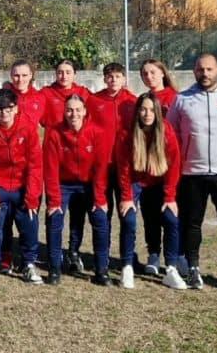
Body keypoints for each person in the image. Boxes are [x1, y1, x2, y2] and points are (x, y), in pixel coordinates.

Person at [167, 53, 217, 292]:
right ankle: (193, 269)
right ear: (194, 71)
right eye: (201, 69)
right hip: (192, 173)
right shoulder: (182, 100)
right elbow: (170, 134)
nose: (205, 74)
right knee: (192, 223)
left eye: (210, 69)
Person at [116, 93, 186, 290]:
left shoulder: (167, 131)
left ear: (157, 112)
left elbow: (174, 166)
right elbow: (124, 169)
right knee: (128, 219)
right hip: (135, 182)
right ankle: (127, 266)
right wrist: (126, 197)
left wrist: (170, 197)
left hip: (159, 182)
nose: (147, 114)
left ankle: (171, 269)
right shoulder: (127, 133)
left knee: (171, 219)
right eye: (143, 109)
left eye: (151, 110)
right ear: (137, 111)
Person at [0, 89, 43, 285]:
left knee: (29, 221)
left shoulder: (28, 128)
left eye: (8, 109)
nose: (4, 113)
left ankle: (28, 264)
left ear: (16, 108)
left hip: (22, 184)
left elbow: (35, 165)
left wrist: (32, 197)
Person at [43, 95, 112, 286]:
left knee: (100, 219)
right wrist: (54, 200)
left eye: (78, 110)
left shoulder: (97, 132)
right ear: (64, 112)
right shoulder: (54, 133)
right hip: (63, 184)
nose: (74, 114)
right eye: (69, 110)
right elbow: (50, 169)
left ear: (85, 111)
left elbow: (100, 169)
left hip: (89, 184)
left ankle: (101, 270)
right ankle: (54, 268)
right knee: (54, 218)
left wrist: (99, 199)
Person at [86, 63, 137, 249]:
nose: (113, 80)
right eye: (109, 76)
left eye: (117, 76)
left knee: (127, 214)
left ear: (124, 78)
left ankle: (128, 258)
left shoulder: (132, 101)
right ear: (104, 78)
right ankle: (102, 256)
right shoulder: (93, 101)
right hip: (101, 166)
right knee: (101, 214)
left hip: (126, 167)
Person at [137, 57, 178, 275]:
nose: (149, 76)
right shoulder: (142, 100)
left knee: (171, 215)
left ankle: (176, 257)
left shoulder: (176, 98)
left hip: (170, 167)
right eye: (144, 73)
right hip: (148, 172)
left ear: (163, 72)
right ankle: (153, 253)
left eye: (153, 72)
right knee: (150, 215)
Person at [41, 60, 92, 129]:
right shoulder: (46, 93)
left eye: (68, 73)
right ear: (55, 74)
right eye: (60, 73)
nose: (64, 76)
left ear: (74, 74)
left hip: (78, 137)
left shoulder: (83, 92)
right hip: (54, 136)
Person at [4, 60, 45, 128]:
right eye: (16, 75)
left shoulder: (40, 97)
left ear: (30, 75)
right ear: (11, 75)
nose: (20, 79)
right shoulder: (3, 96)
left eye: (24, 75)